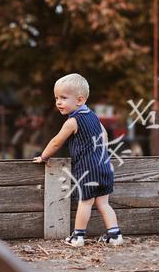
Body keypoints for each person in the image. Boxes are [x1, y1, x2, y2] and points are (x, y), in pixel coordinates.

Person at [33, 73, 123, 247]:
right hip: (104, 166)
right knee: (104, 203)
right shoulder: (93, 116)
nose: (58, 102)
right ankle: (115, 234)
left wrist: (44, 156)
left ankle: (78, 237)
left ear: (79, 100)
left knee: (85, 202)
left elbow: (56, 141)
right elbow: (103, 134)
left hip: (88, 169)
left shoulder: (73, 121)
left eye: (63, 98)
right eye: (56, 98)